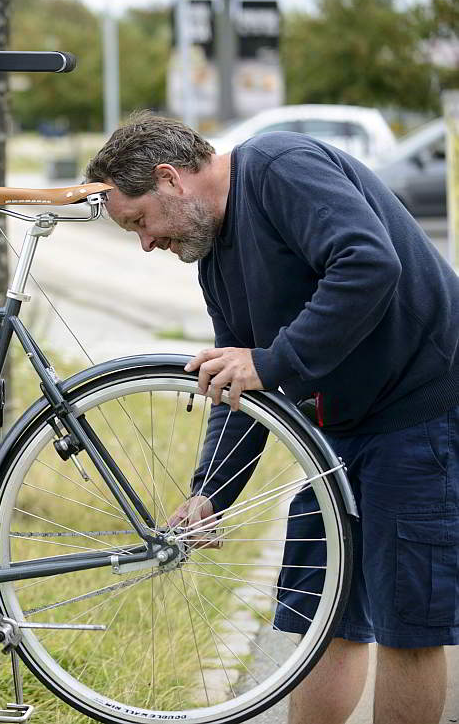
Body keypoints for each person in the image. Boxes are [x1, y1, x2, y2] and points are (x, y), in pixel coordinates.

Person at [84, 112, 459, 724]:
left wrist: (275, 359)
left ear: (170, 179)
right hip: (334, 433)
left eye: (139, 222)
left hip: (419, 412)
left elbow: (369, 263)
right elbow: (239, 385)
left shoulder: (281, 168)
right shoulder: (214, 257)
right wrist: (211, 493)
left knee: (406, 628)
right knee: (323, 619)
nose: (146, 243)